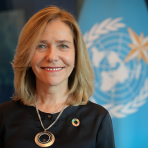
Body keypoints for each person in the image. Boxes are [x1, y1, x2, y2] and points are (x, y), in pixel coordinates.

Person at [0, 6, 115, 148]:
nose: (52, 57)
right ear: (27, 55)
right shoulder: (4, 116)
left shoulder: (98, 118)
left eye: (63, 46)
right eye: (41, 46)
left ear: (76, 55)